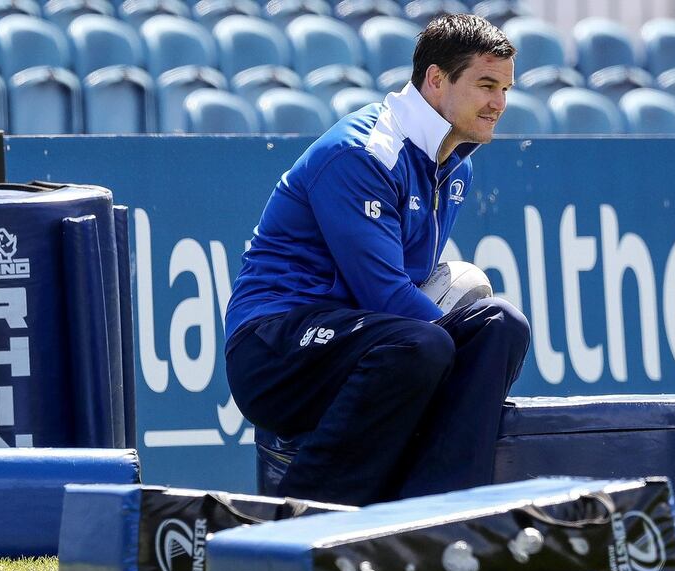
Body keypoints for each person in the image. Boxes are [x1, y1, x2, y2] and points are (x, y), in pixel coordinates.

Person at [224, 14, 530, 506]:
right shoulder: (364, 152)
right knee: (424, 345)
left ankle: (438, 516)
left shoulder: (456, 164)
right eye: (486, 85)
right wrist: (462, 359)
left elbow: (408, 291)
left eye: (505, 89)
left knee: (501, 324)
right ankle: (304, 525)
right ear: (436, 79)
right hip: (274, 346)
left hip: (362, 337)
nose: (499, 104)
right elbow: (386, 295)